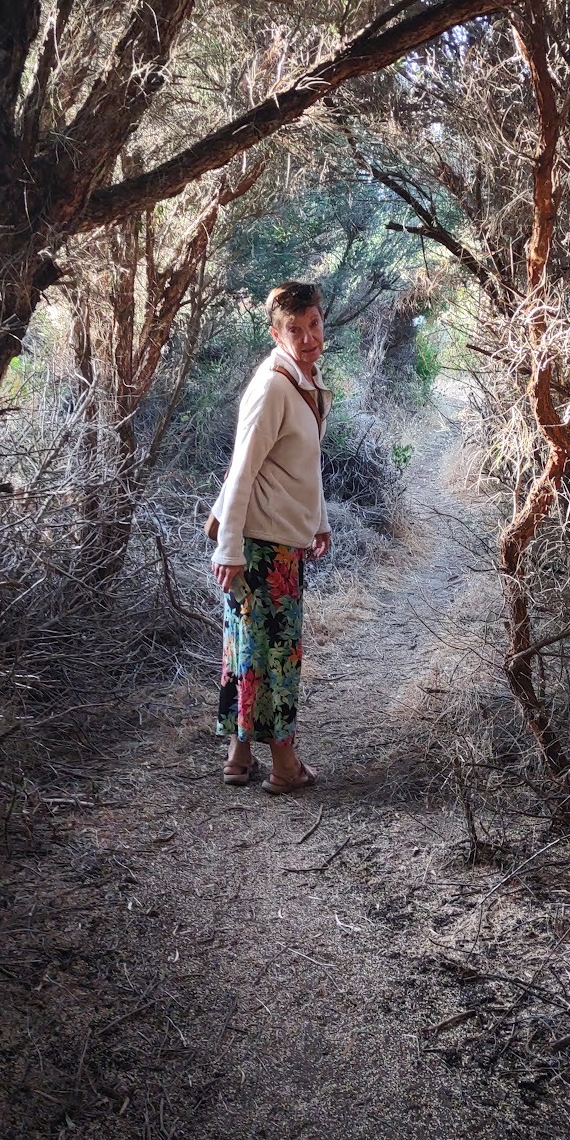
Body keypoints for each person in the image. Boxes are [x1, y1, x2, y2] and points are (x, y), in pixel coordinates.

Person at [208, 281, 332, 792]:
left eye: (314, 325)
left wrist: (318, 520)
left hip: (273, 539)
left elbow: (302, 464)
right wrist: (229, 548)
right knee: (277, 655)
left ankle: (239, 758)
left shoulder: (303, 379)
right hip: (260, 546)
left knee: (248, 652)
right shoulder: (274, 386)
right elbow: (241, 471)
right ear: (276, 334)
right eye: (294, 330)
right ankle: (285, 766)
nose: (308, 338)